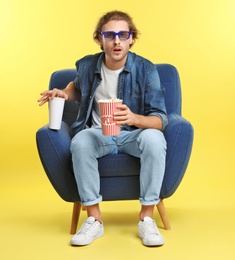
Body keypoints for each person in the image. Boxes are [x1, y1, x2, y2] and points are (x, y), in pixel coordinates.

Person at [38, 10, 168, 247]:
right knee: (81, 141)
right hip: (99, 134)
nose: (116, 40)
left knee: (155, 139)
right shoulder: (88, 65)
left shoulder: (147, 70)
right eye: (110, 34)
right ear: (100, 39)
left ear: (131, 39)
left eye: (123, 34)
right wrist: (64, 94)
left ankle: (146, 218)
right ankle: (94, 220)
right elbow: (76, 86)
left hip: (133, 134)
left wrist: (134, 118)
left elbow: (160, 120)